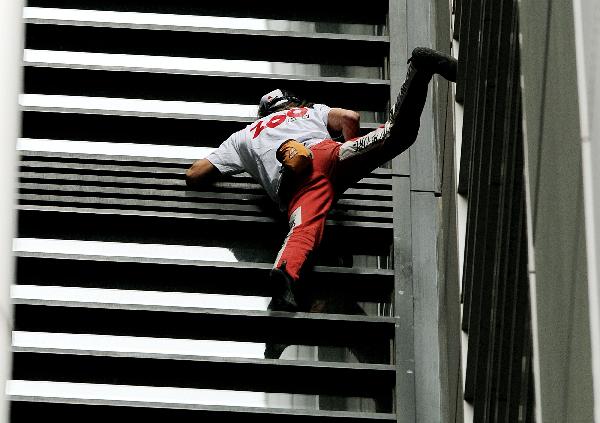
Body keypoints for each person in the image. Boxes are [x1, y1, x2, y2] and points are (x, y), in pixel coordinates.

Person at [185, 47, 457, 357]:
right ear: (291, 103)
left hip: (298, 181)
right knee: (396, 134)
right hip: (332, 155)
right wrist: (351, 150)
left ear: (263, 114)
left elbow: (195, 174)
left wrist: (246, 168)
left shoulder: (242, 137)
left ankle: (283, 290)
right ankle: (420, 69)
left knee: (304, 228)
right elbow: (351, 117)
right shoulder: (309, 111)